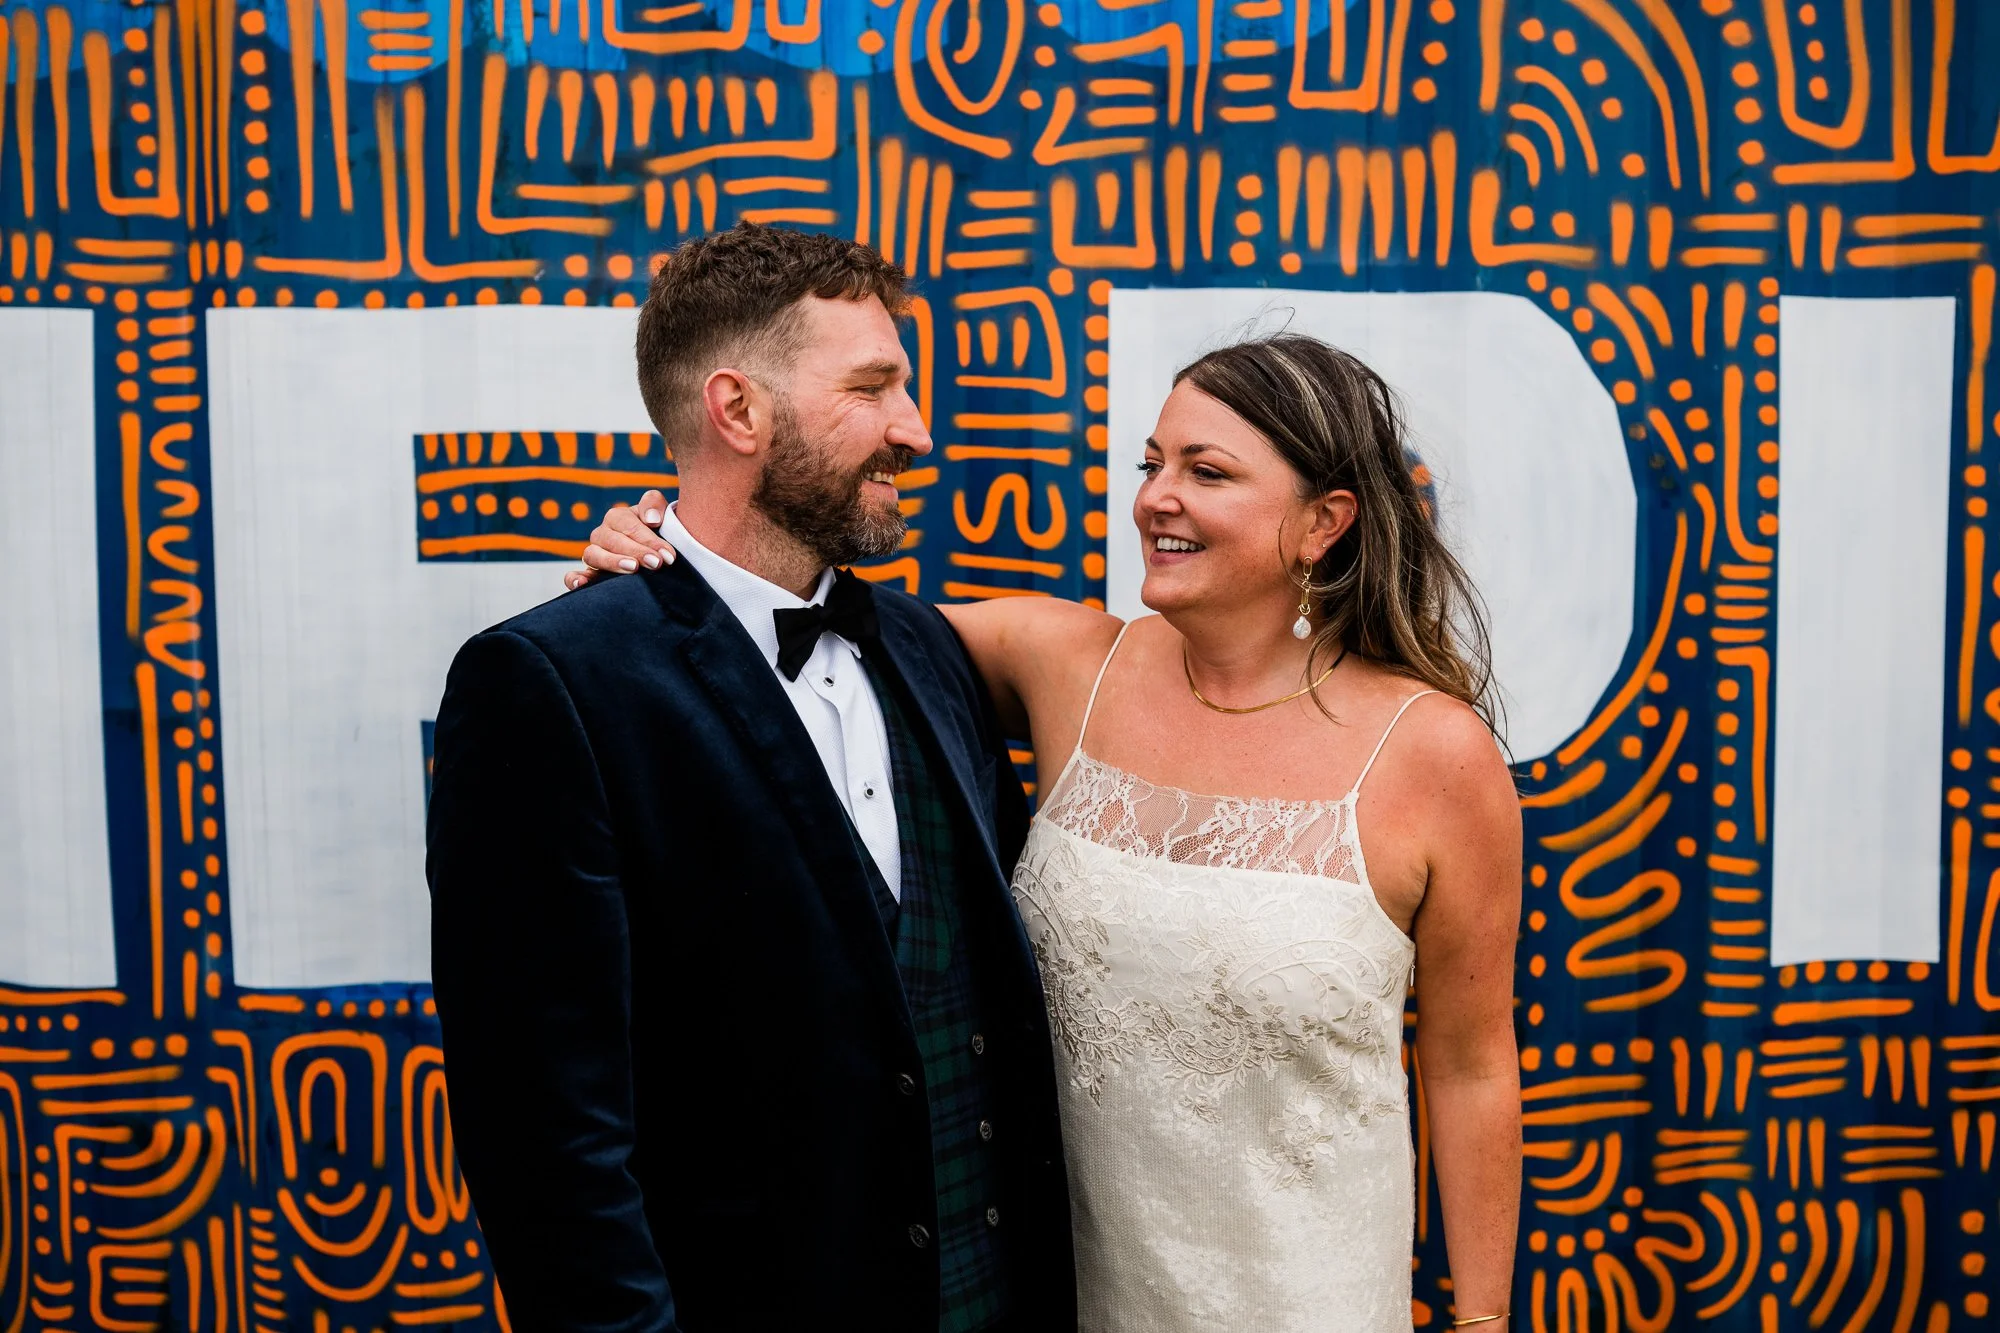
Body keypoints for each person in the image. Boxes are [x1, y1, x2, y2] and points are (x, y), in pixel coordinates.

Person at [582, 332, 1525, 1331]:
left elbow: (1469, 1066)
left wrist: (1478, 1320)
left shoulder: (1432, 755)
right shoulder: (1062, 662)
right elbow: (780, 619)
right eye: (1150, 465)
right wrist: (664, 548)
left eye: (1205, 471)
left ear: (1322, 522)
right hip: (1056, 1297)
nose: (1155, 497)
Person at [426, 223, 1076, 1333]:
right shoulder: (549, 685)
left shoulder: (929, 652)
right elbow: (550, 1140)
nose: (914, 432)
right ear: (737, 410)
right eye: (872, 387)